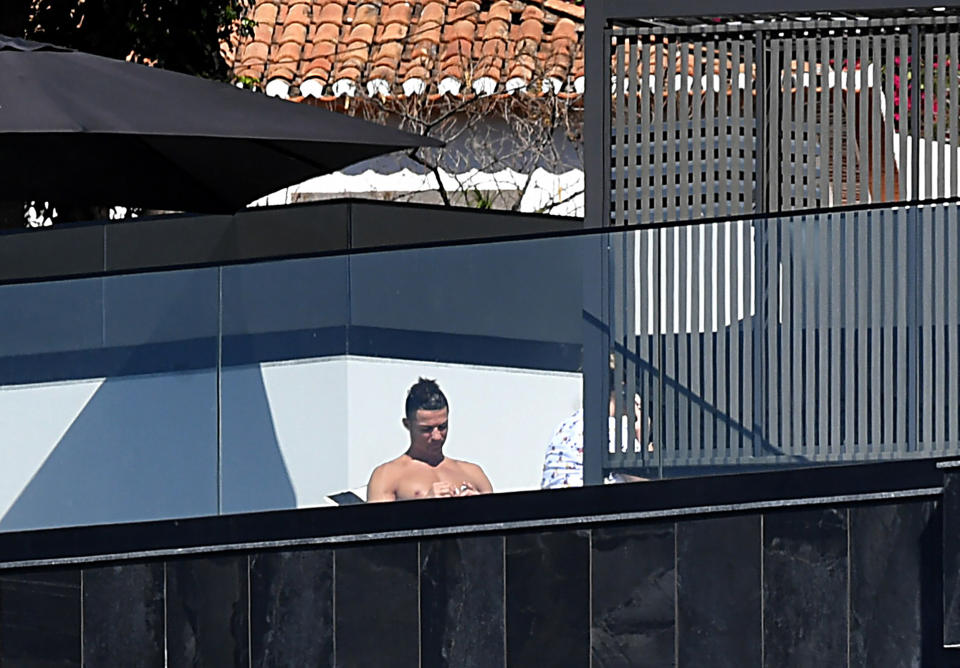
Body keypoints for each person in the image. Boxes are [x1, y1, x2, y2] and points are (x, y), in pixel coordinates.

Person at [367, 378, 493, 502]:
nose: (437, 436)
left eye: (442, 427)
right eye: (426, 429)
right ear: (407, 425)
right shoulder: (388, 475)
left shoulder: (473, 473)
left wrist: (480, 507)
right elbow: (379, 522)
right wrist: (424, 506)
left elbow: (500, 520)